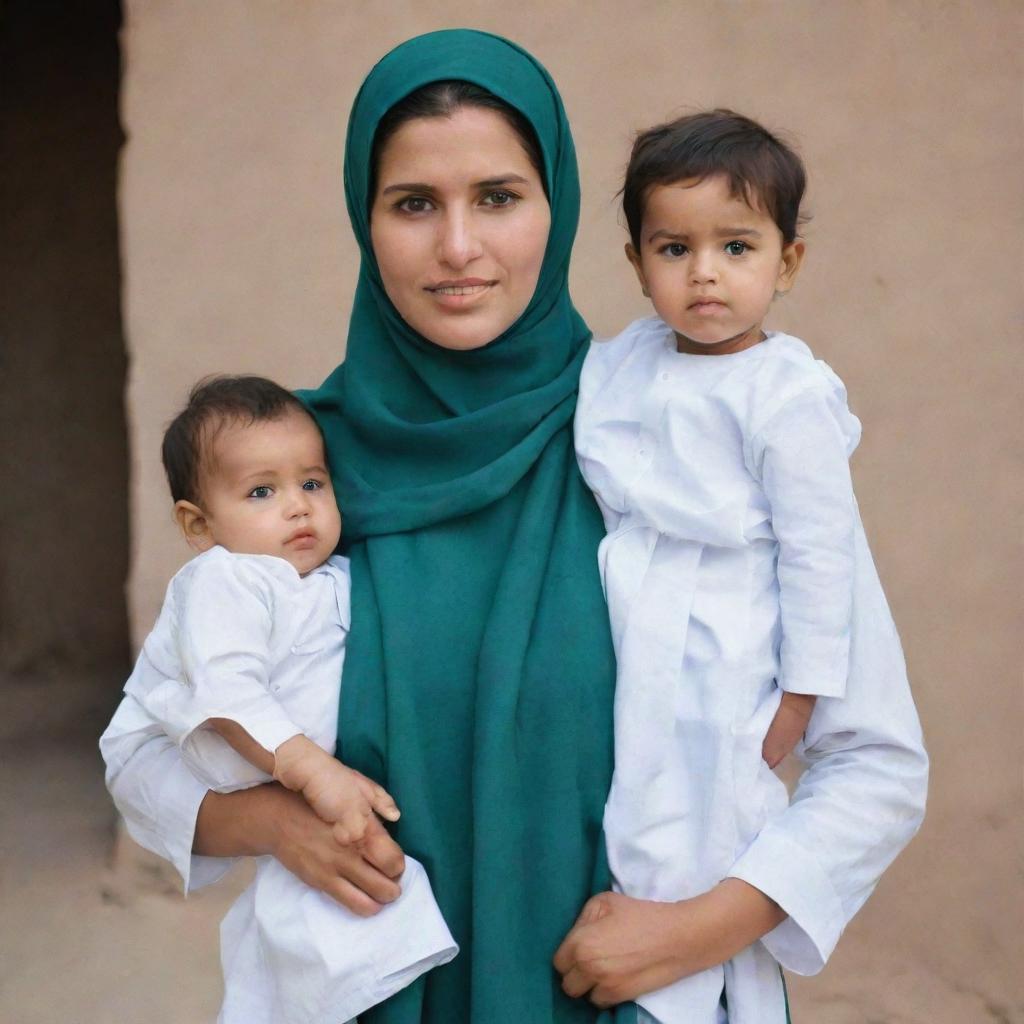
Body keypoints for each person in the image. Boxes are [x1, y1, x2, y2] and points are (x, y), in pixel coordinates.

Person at [101, 30, 927, 1024]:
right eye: (414, 204)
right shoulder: (297, 482)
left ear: (558, 208)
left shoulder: (678, 440)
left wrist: (697, 928)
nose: (459, 249)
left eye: (497, 198)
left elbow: (872, 760)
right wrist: (275, 822)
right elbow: (140, 750)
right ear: (364, 221)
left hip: (628, 993)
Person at [564, 110, 925, 1022]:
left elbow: (816, 554)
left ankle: (686, 957)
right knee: (643, 769)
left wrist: (803, 689)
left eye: (735, 246)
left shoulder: (787, 393)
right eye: (674, 249)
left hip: (733, 625)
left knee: (710, 792)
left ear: (786, 263)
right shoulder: (623, 364)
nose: (705, 274)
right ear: (637, 262)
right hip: (643, 604)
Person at [102, 375, 456, 1024]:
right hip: (266, 778)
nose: (297, 507)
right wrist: (310, 769)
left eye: (312, 484)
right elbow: (226, 687)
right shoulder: (226, 579)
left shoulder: (332, 579)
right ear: (199, 524)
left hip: (309, 808)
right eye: (262, 491)